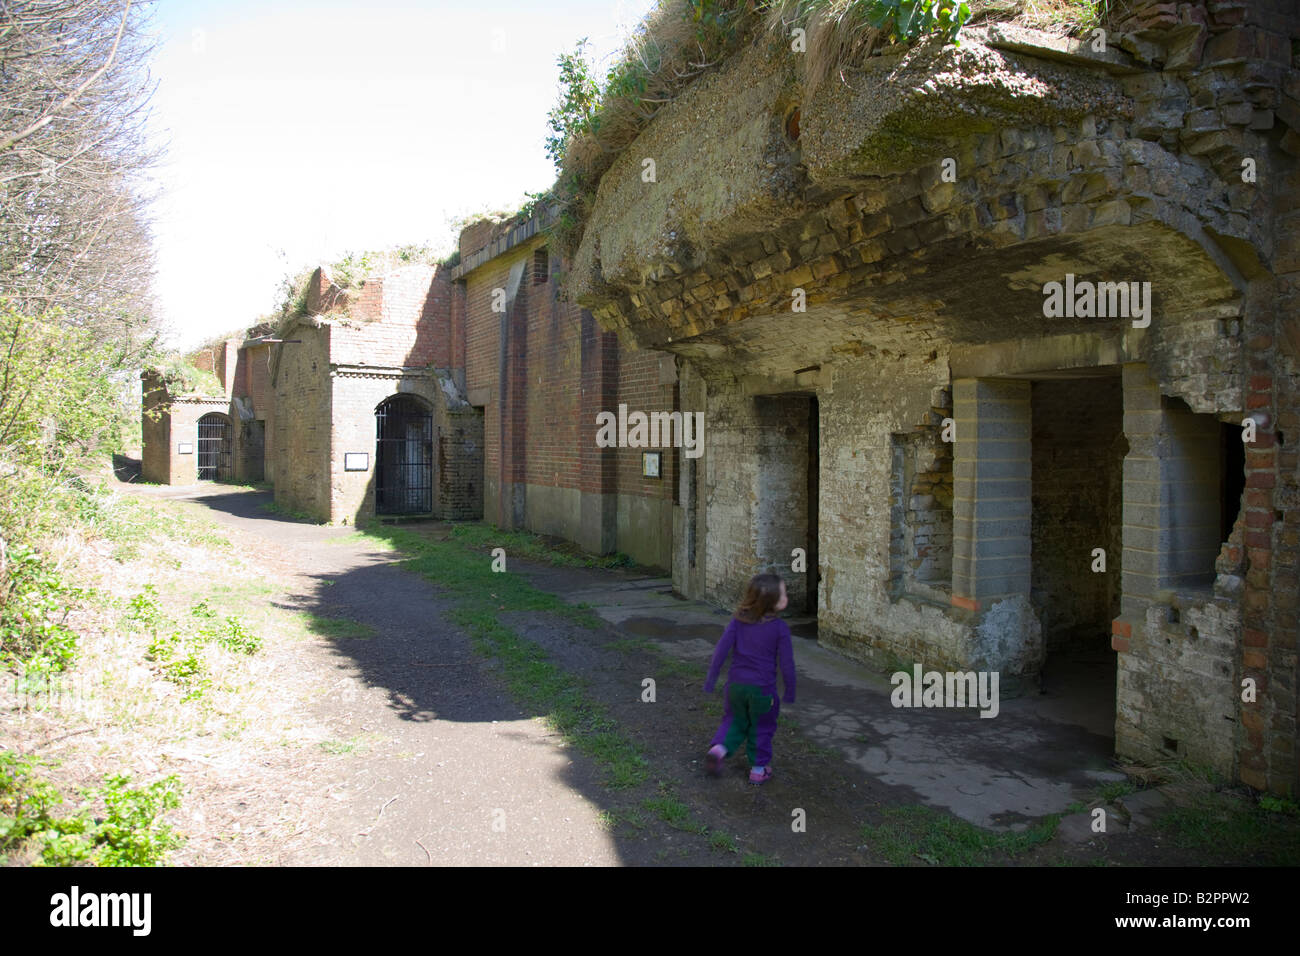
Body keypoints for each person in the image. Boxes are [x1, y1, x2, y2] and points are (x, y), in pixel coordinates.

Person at [703, 572, 797, 785]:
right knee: (761, 727)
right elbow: (787, 663)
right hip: (763, 691)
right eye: (782, 594)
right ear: (770, 601)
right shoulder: (780, 628)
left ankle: (718, 750)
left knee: (734, 720)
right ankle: (758, 769)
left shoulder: (738, 622)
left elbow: (720, 651)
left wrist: (711, 678)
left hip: (735, 686)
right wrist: (790, 689)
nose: (786, 598)